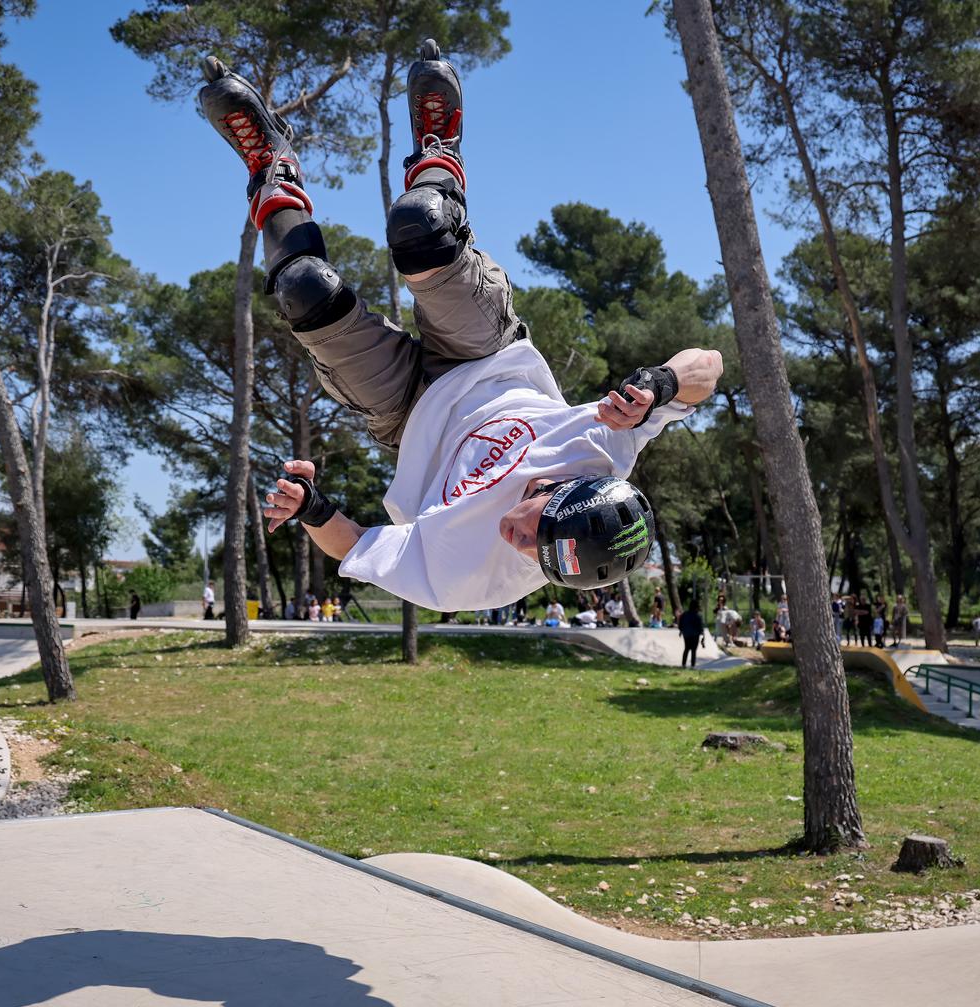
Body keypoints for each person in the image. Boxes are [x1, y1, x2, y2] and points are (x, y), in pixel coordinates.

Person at [205, 46, 723, 614]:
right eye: (536, 537)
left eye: (538, 563)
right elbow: (709, 365)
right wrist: (659, 383)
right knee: (420, 225)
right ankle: (437, 151)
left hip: (406, 416)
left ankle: (271, 169)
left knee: (304, 291)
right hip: (488, 357)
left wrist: (310, 508)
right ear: (563, 493)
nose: (519, 548)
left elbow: (358, 546)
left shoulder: (466, 580)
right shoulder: (603, 450)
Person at [676, 602, 705, 668]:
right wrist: (702, 633)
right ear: (696, 608)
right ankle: (692, 665)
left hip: (686, 634)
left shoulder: (684, 614)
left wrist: (681, 630)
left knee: (686, 648)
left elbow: (680, 624)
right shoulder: (698, 616)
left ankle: (683, 664)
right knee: (693, 650)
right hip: (695, 634)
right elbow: (700, 626)